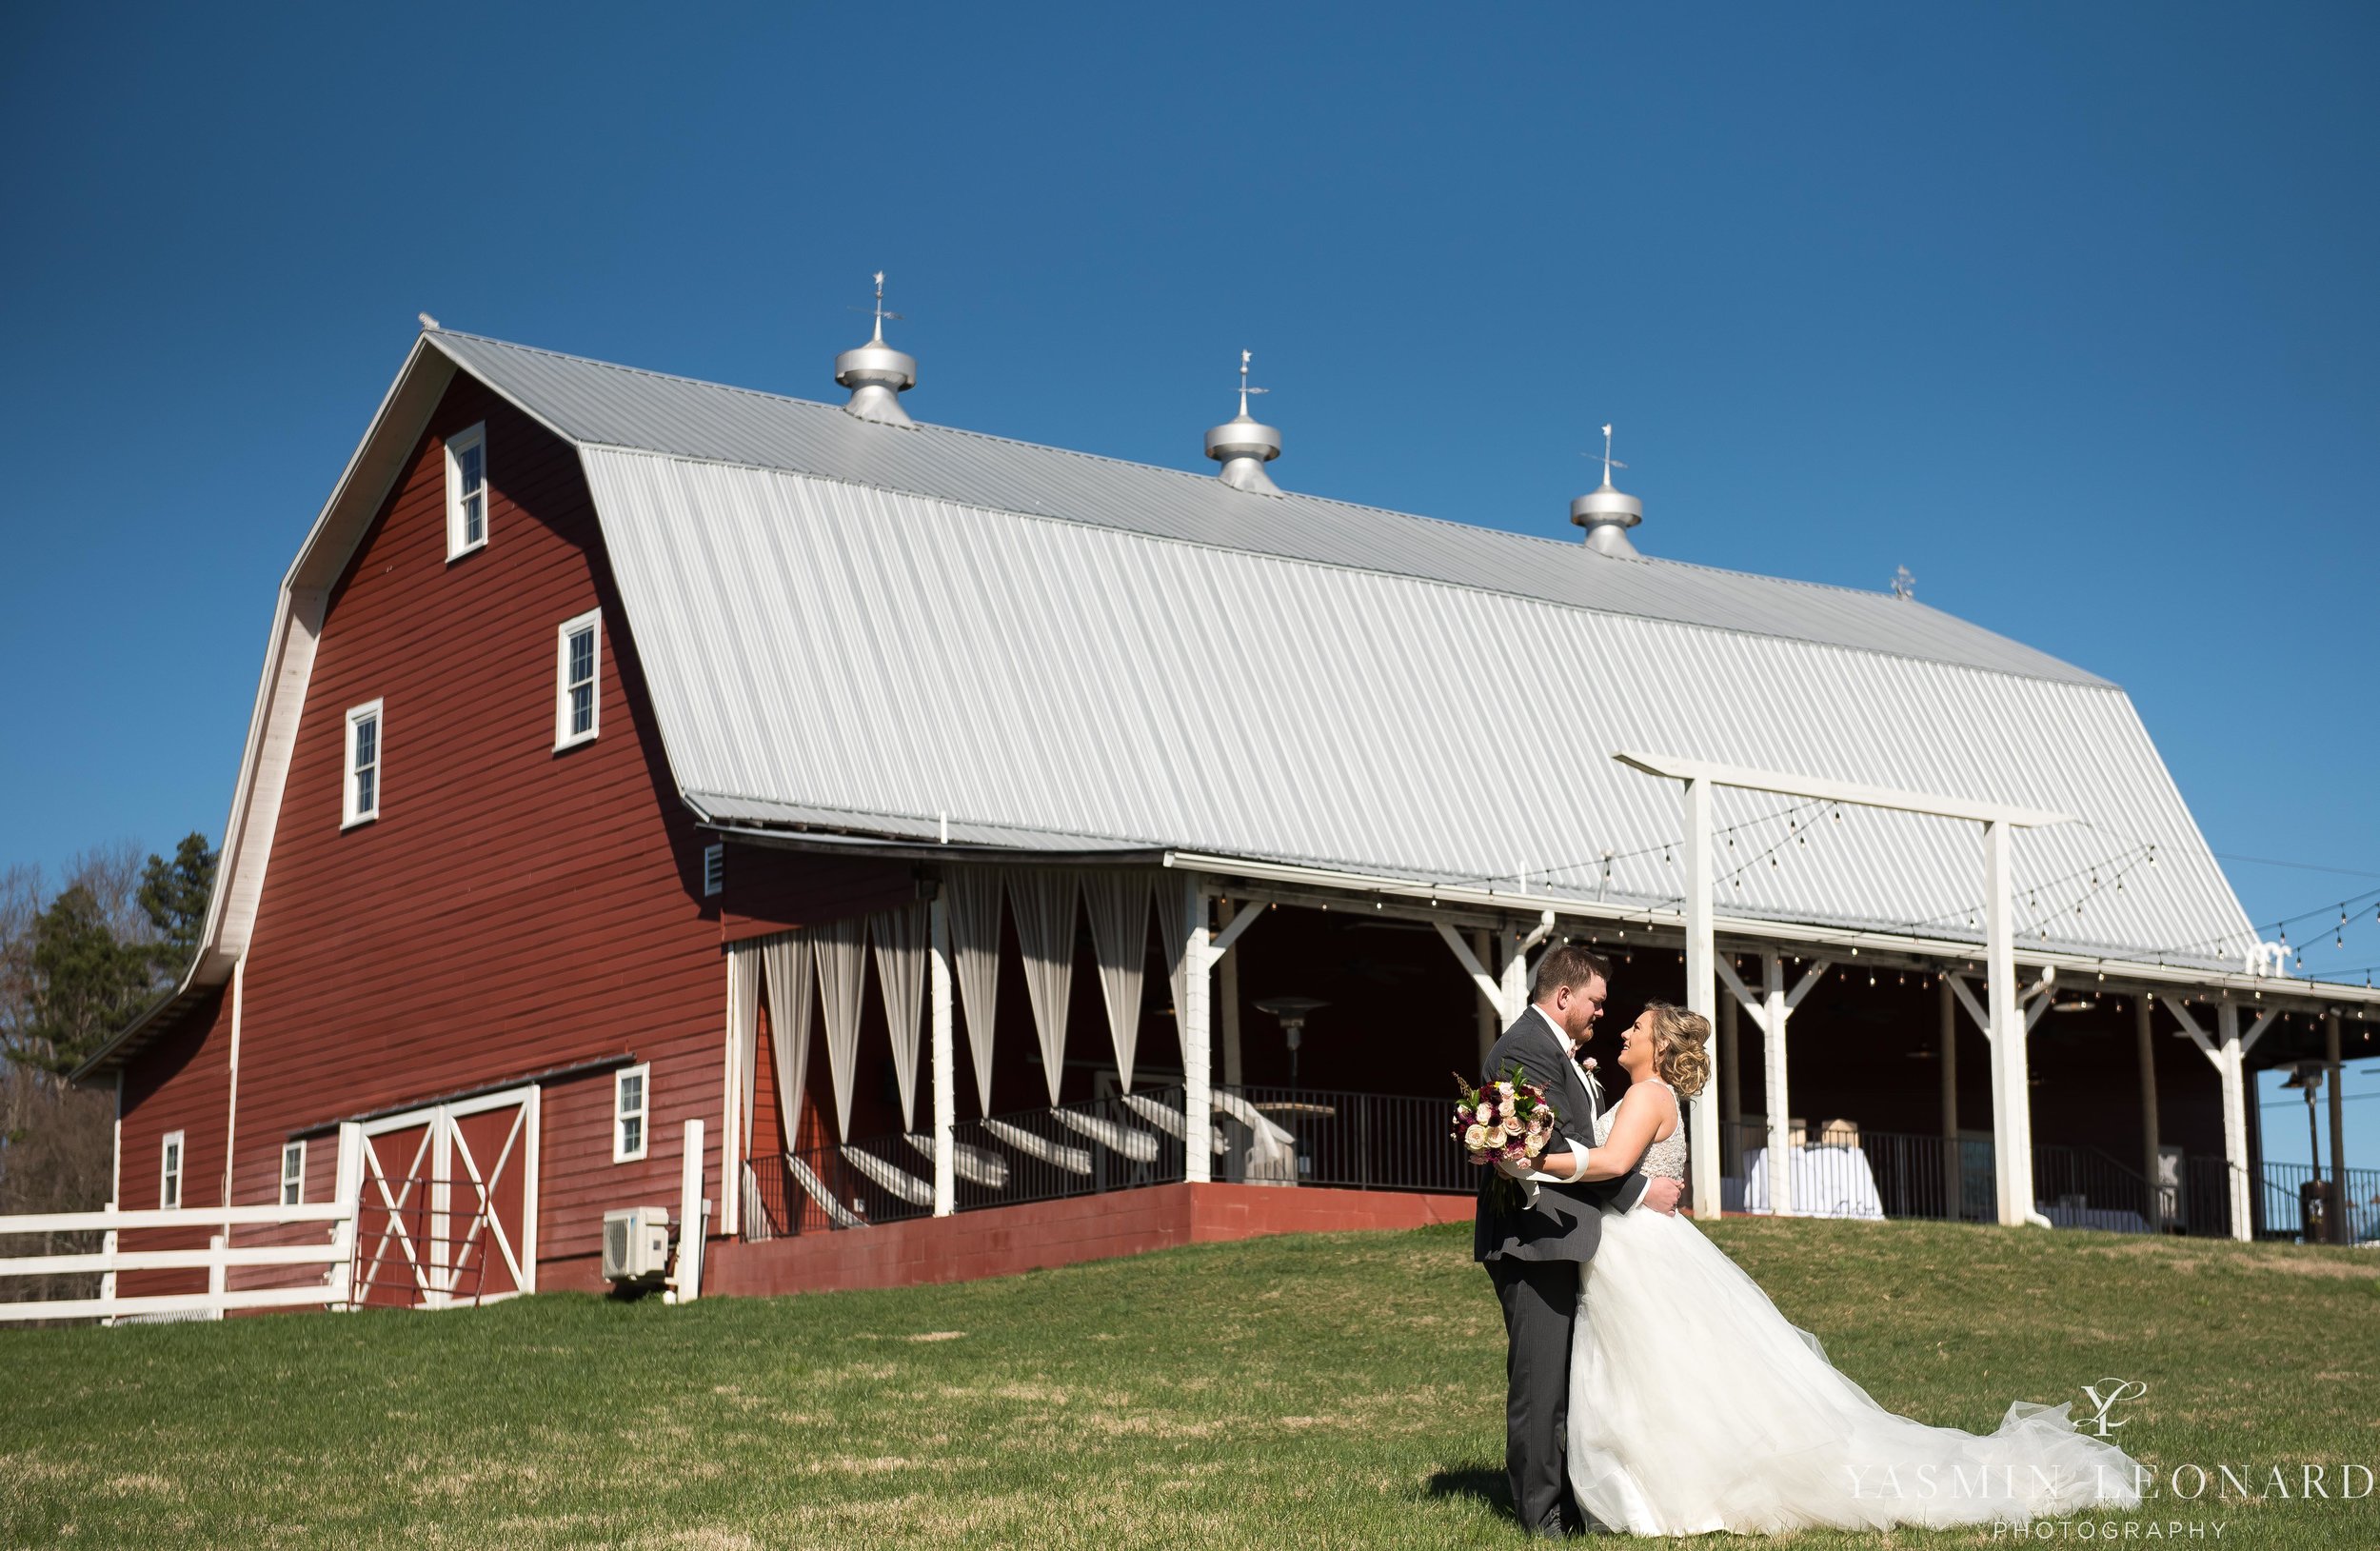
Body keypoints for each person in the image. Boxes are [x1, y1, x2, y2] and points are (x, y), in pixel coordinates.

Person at [1548, 1002, 2146, 1535]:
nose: (1624, 1031)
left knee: (1654, 1373)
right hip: (1639, 1240)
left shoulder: (1646, 1095)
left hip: (1641, 1247)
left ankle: (1662, 1495)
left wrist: (1534, 1157)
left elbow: (1614, 1161)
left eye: (1637, 1027)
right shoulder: (1646, 1094)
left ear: (1659, 1047)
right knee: (1660, 1373)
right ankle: (1647, 1490)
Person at [1474, 945, 1684, 1539]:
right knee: (1541, 1383)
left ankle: (1568, 1502)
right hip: (1533, 1237)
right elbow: (1556, 1147)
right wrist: (1642, 1191)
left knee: (1567, 1382)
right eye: (1594, 1001)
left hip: (1563, 1237)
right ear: (1563, 996)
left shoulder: (1556, 1053)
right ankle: (1542, 1519)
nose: (1600, 1014)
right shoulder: (1525, 1049)